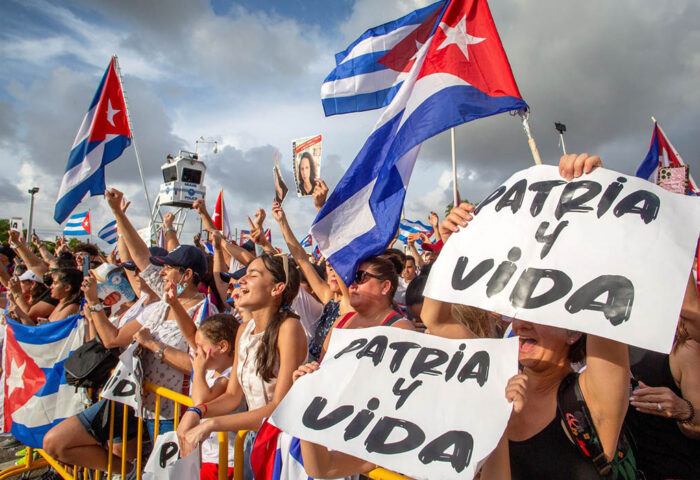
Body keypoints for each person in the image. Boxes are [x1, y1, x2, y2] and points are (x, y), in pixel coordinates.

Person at [429, 153, 632, 479]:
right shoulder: (495, 383)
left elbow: (608, 309)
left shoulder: (588, 398)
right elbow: (438, 321)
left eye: (540, 313)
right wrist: (453, 248)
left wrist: (598, 197)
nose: (521, 323)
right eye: (518, 312)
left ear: (575, 331)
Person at [176, 254, 308, 471]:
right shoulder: (242, 330)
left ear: (277, 288)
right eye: (244, 275)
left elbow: (278, 408)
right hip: (254, 439)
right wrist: (197, 412)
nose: (241, 281)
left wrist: (212, 424)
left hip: (284, 446)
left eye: (253, 275)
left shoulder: (289, 328)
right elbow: (232, 396)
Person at [271, 200, 352, 361]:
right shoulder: (329, 297)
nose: (332, 271)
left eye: (336, 266)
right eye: (329, 266)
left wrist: (321, 207)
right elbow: (301, 260)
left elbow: (337, 252)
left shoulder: (349, 303)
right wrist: (282, 222)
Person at [189, 314, 242, 480]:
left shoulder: (229, 375)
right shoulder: (212, 370)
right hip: (209, 454)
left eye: (200, 347)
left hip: (225, 457)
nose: (197, 353)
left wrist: (198, 371)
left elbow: (201, 402)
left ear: (223, 346)